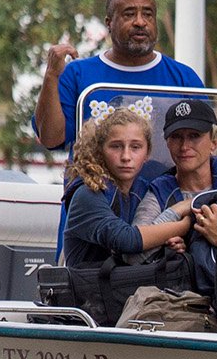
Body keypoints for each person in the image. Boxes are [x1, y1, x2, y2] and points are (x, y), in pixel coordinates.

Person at [34, 0, 206, 155]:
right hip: (94, 182)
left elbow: (206, 144)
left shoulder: (184, 78)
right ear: (109, 23)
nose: (140, 22)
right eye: (129, 14)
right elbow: (51, 138)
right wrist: (51, 76)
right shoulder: (76, 74)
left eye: (148, 14)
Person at [60, 107, 198, 269]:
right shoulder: (87, 194)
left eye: (135, 147)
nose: (126, 157)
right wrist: (184, 222)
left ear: (147, 154)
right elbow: (126, 240)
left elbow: (153, 235)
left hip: (129, 288)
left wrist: (170, 243)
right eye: (116, 146)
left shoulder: (144, 190)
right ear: (100, 151)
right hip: (88, 291)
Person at [133, 98, 217, 296]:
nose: (184, 145)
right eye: (177, 136)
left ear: (214, 143)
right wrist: (176, 213)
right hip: (181, 304)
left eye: (194, 136)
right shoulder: (159, 192)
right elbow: (133, 255)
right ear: (167, 143)